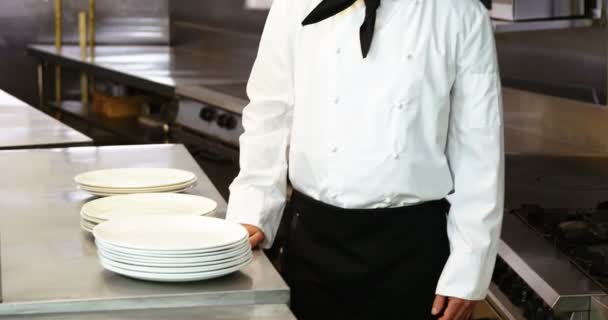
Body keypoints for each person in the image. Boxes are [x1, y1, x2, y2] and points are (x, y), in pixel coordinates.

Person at [226, 0, 504, 319]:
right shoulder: (294, 5)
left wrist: (469, 269)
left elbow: (478, 144)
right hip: (313, 241)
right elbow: (269, 115)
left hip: (413, 251)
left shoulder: (460, 12)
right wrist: (253, 209)